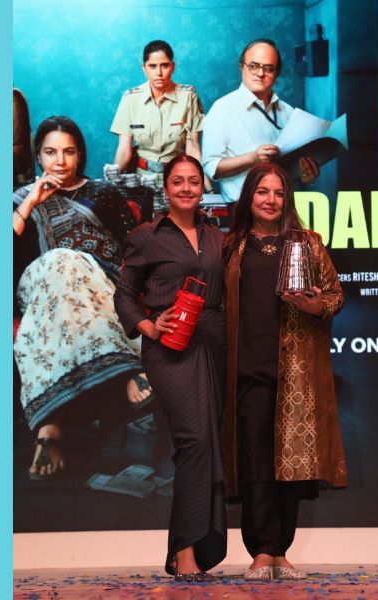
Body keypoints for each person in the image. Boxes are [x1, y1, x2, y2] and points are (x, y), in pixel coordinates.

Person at [222, 163, 347, 580]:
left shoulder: (307, 243)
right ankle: (261, 551)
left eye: (278, 193)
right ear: (249, 197)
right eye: (262, 192)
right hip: (248, 367)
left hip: (296, 371)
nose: (271, 200)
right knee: (257, 461)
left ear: (287, 199)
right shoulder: (232, 246)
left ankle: (281, 552)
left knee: (292, 465)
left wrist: (314, 305)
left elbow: (335, 297)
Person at [13, 115, 155, 481]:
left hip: (99, 284)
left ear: (80, 155)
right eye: (50, 152)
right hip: (41, 288)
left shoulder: (102, 193)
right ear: (38, 156)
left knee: (72, 266)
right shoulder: (20, 199)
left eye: (69, 152)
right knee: (62, 260)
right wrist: (31, 203)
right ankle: (125, 371)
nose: (60, 161)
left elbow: (133, 249)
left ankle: (49, 427)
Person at [115, 154, 226, 581]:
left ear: (203, 187)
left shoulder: (216, 236)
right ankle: (184, 551)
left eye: (193, 181)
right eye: (177, 181)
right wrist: (148, 326)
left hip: (214, 343)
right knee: (193, 440)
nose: (186, 188)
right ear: (165, 188)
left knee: (208, 443)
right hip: (170, 349)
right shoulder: (146, 236)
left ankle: (198, 547)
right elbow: (124, 294)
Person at [201, 38, 320, 209]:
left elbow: (294, 168)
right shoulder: (222, 109)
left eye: (269, 68)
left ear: (277, 73)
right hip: (243, 208)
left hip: (284, 207)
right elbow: (211, 167)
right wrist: (253, 158)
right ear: (242, 67)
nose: (260, 73)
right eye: (253, 66)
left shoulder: (288, 112)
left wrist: (306, 176)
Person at [110, 39, 209, 188]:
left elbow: (193, 149)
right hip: (140, 179)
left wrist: (205, 186)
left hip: (177, 178)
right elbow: (124, 150)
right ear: (144, 69)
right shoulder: (130, 98)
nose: (159, 73)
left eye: (164, 65)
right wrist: (110, 184)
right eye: (152, 66)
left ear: (173, 67)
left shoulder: (188, 96)